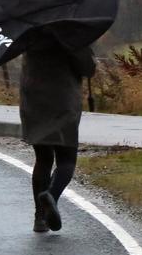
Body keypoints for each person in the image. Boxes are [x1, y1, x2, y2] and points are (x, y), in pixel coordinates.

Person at [19, 34, 96, 233]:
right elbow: (88, 68)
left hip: (34, 101)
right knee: (67, 160)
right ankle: (51, 195)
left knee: (43, 159)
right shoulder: (70, 34)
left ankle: (39, 219)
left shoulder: (30, 33)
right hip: (64, 102)